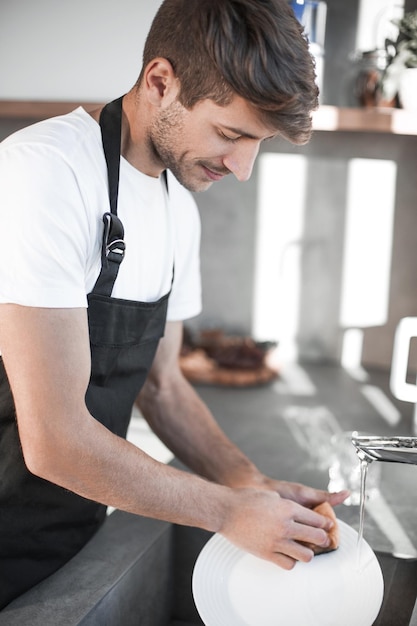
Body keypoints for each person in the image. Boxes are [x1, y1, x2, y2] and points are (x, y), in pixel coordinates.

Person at [0, 0, 348, 609]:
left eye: (257, 143)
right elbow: (54, 439)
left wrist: (250, 483)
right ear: (161, 82)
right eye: (231, 135)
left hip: (69, 541)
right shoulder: (45, 173)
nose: (242, 169)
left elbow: (163, 387)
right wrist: (227, 511)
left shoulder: (176, 208)